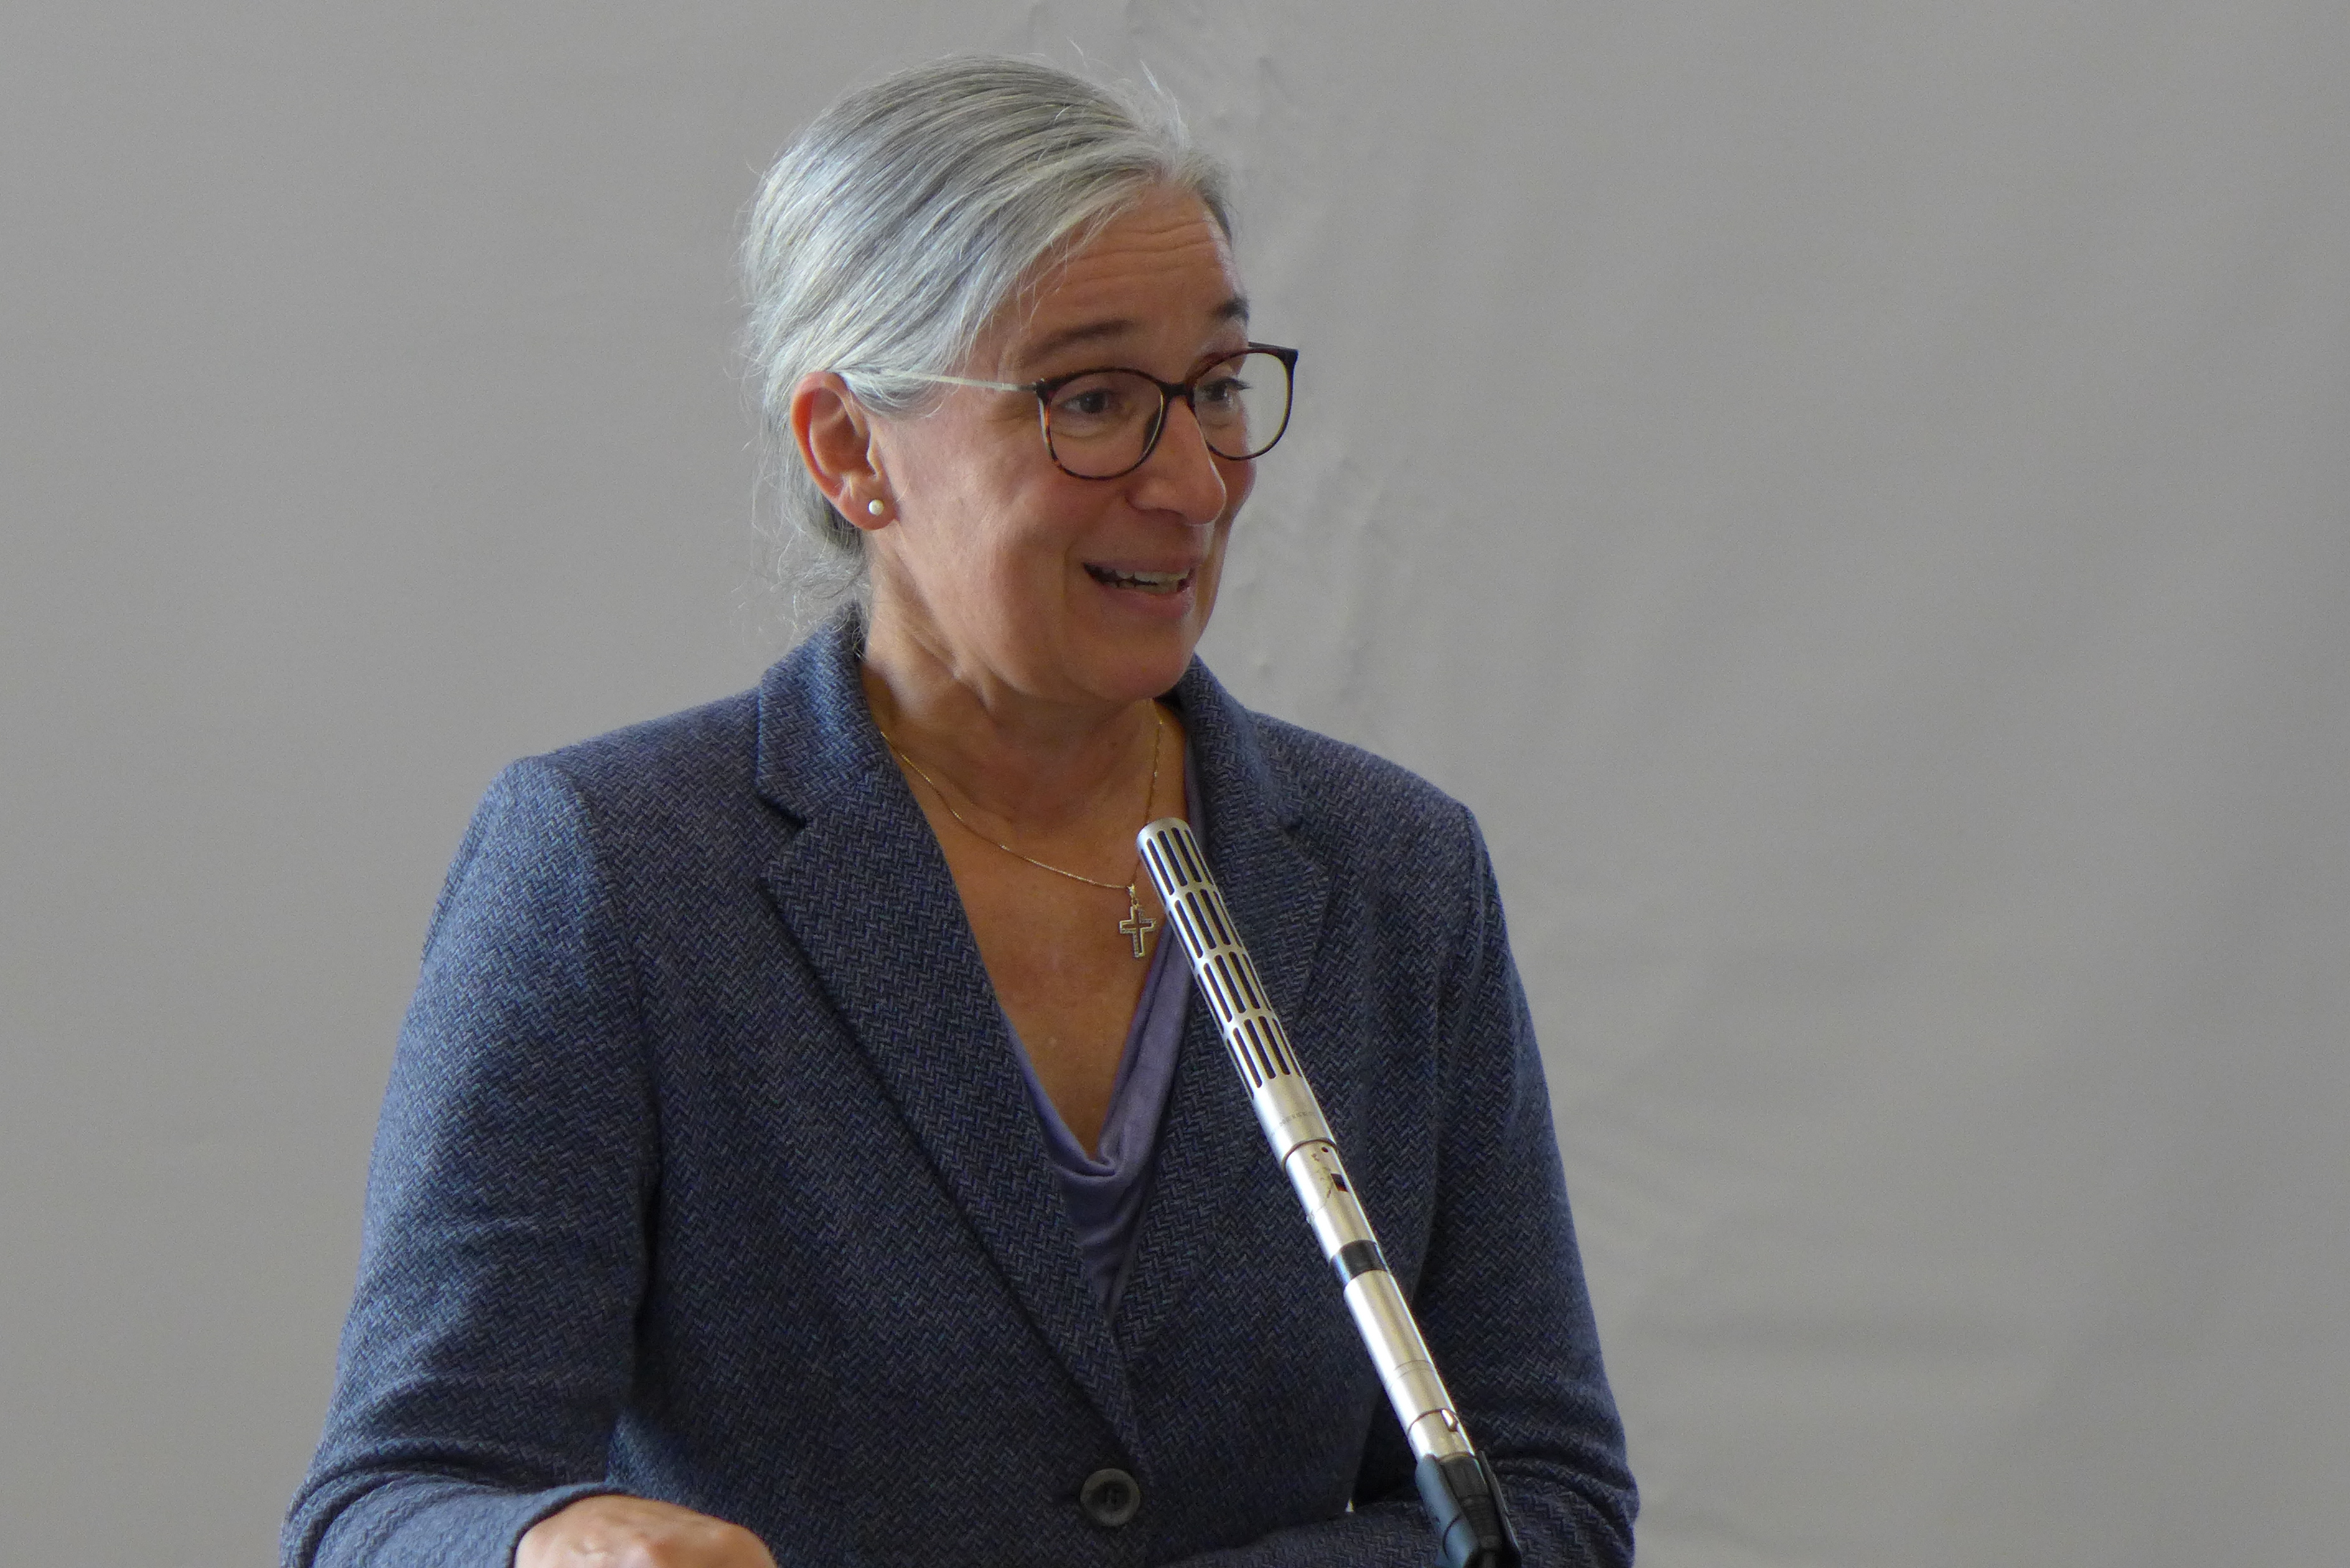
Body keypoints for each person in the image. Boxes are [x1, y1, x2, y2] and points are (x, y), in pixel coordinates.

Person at [283, 55, 1636, 1568]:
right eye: (1094, 401)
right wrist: (550, 1547)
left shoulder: (1397, 873)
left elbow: (1549, 1501)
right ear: (850, 448)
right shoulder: (615, 870)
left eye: (1213, 388)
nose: (1194, 483)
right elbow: (387, 1503)